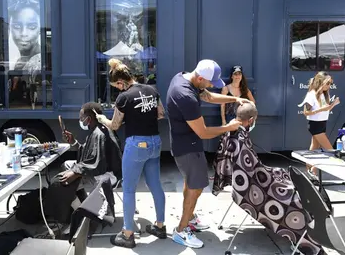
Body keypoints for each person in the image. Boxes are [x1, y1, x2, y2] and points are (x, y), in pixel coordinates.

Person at [212, 102, 323, 255]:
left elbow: (250, 168)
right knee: (296, 200)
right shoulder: (240, 137)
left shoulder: (231, 131)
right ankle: (304, 243)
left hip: (247, 181)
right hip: (253, 188)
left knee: (283, 175)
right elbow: (253, 173)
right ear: (251, 120)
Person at [166, 59, 251, 248]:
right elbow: (203, 132)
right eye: (210, 82)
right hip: (188, 148)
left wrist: (234, 99)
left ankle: (191, 218)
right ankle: (180, 231)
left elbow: (208, 96)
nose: (212, 85)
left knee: (191, 184)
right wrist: (228, 127)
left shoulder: (183, 77)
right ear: (200, 77)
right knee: (195, 189)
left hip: (185, 145)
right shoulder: (185, 95)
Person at [95, 58, 166, 248]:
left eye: (116, 86)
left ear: (121, 82)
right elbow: (160, 114)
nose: (117, 90)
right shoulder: (152, 90)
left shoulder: (123, 97)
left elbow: (115, 125)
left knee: (128, 189)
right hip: (155, 142)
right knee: (155, 184)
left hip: (137, 145)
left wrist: (102, 119)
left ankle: (127, 234)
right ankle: (160, 226)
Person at [61, 102, 122, 202]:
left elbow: (97, 164)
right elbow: (88, 153)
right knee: (67, 165)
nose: (80, 121)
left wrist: (76, 172)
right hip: (101, 169)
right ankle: (82, 199)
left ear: (88, 119)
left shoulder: (99, 134)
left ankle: (81, 204)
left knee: (70, 174)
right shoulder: (97, 130)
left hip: (108, 175)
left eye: (81, 118)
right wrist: (73, 142)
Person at [298, 71, 340, 176]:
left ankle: (310, 171)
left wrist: (332, 105)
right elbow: (305, 112)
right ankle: (313, 169)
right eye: (327, 83)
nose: (329, 86)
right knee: (329, 151)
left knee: (314, 149)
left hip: (321, 124)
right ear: (320, 82)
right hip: (315, 125)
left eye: (330, 83)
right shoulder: (311, 95)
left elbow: (324, 109)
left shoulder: (323, 95)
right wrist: (323, 109)